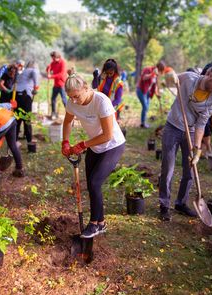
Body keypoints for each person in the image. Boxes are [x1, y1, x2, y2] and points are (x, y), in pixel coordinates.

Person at [158, 66, 212, 221]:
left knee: (190, 169)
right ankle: (164, 205)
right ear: (209, 75)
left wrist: (197, 149)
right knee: (168, 168)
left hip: (191, 131)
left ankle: (181, 203)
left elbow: (201, 124)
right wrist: (171, 76)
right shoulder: (189, 78)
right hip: (173, 127)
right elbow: (172, 79)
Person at [61, 69, 126, 238]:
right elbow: (67, 122)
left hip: (112, 145)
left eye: (77, 96)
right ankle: (101, 222)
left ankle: (94, 224)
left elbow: (107, 135)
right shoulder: (72, 102)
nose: (74, 100)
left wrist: (83, 145)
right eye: (71, 97)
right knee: (90, 184)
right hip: (95, 146)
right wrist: (65, 142)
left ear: (86, 88)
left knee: (95, 182)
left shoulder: (101, 101)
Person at [15, 60, 40, 143]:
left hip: (16, 95)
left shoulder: (22, 72)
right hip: (25, 95)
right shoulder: (33, 70)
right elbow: (35, 74)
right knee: (27, 118)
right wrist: (36, 88)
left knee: (17, 118)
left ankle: (14, 140)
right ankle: (29, 141)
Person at [136, 61, 166, 128]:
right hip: (141, 90)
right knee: (145, 107)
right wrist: (152, 73)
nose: (160, 72)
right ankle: (143, 123)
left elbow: (154, 86)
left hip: (147, 92)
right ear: (158, 67)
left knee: (146, 108)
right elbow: (144, 78)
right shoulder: (148, 69)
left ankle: (143, 122)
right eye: (160, 70)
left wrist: (157, 94)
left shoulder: (156, 74)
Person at [46, 51, 67, 120]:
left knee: (64, 100)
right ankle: (53, 113)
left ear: (58, 57)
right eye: (52, 59)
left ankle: (69, 114)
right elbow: (49, 69)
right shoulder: (53, 62)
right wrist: (48, 68)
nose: (53, 60)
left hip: (62, 84)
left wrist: (51, 76)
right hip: (56, 84)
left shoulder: (63, 63)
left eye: (54, 59)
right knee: (53, 99)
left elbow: (61, 74)